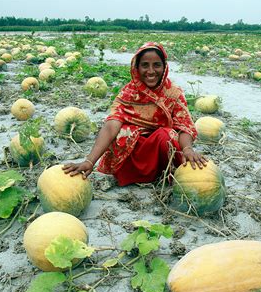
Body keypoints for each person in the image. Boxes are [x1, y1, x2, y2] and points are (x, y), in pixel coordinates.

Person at [62, 42, 207, 186]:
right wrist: (89, 161)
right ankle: (136, 175)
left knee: (167, 136)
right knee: (123, 133)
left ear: (164, 67)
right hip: (135, 152)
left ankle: (165, 174)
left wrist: (188, 149)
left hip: (163, 152)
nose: (151, 71)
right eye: (145, 65)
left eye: (157, 65)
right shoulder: (128, 93)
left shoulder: (173, 93)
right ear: (136, 68)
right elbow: (111, 125)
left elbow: (184, 126)